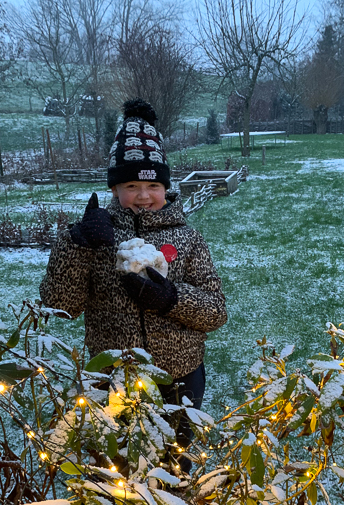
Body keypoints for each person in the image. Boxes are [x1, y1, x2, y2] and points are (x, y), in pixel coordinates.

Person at [39, 99, 227, 469]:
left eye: (153, 184)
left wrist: (171, 298)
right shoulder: (95, 236)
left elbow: (216, 311)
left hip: (179, 376)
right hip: (112, 377)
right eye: (131, 184)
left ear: (166, 187)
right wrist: (77, 245)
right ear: (114, 190)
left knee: (173, 460)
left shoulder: (188, 239)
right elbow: (60, 306)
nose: (143, 196)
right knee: (113, 459)